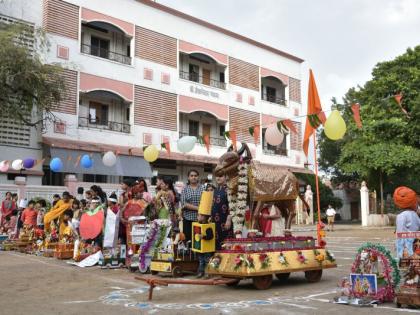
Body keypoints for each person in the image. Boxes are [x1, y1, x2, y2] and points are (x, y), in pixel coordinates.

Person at [394, 186, 420, 258]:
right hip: (416, 243)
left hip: (406, 245)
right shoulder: (416, 214)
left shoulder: (401, 216)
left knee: (405, 265)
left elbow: (401, 232)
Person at [195, 191, 215, 279]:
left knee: (207, 261)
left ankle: (208, 273)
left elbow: (211, 236)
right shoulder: (197, 225)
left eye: (199, 215)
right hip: (200, 249)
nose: (197, 217)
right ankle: (200, 272)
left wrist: (203, 236)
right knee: (201, 261)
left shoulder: (208, 227)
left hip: (207, 248)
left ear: (204, 217)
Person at [181, 169, 204, 243]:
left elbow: (205, 202)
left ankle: (197, 255)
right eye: (191, 176)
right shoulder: (185, 189)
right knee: (188, 240)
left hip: (200, 219)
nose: (193, 177)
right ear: (188, 177)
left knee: (198, 241)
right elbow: (184, 204)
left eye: (195, 176)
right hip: (188, 219)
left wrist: (201, 211)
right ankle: (189, 254)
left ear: (198, 177)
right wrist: (199, 208)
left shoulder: (203, 188)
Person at [211, 175, 232, 250]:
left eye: (221, 175)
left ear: (226, 176)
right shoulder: (215, 190)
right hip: (215, 221)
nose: (218, 177)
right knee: (216, 244)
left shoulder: (229, 189)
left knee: (225, 244)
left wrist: (229, 219)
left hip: (225, 221)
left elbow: (232, 205)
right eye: (217, 175)